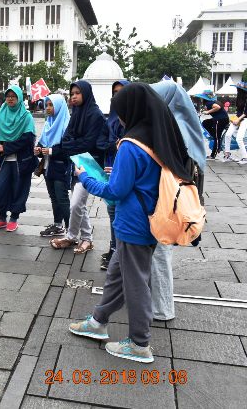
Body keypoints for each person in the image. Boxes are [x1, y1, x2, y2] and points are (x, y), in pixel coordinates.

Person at [69, 82, 195, 363]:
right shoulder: (157, 136)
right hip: (149, 221)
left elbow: (115, 191)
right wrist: (119, 172)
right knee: (116, 274)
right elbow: (143, 178)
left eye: (120, 110)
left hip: (133, 224)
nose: (119, 117)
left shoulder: (130, 144)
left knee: (136, 283)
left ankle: (139, 343)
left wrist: (85, 178)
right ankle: (99, 321)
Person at [149, 80, 207, 321]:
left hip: (169, 201)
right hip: (174, 199)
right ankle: (156, 302)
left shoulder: (175, 129)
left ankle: (162, 308)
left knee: (160, 253)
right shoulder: (184, 124)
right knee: (160, 253)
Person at [49, 80, 106, 254]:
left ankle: (72, 236)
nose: (73, 97)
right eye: (72, 93)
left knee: (75, 204)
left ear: (86, 94)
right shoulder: (76, 113)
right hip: (77, 161)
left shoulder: (95, 114)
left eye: (77, 93)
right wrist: (75, 145)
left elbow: (89, 143)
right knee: (79, 204)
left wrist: (73, 144)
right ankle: (86, 238)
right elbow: (66, 140)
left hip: (90, 163)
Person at [0, 85, 36, 232]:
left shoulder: (26, 116)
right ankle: (1, 218)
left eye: (13, 96)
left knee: (19, 189)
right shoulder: (0, 115)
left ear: (19, 98)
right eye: (8, 96)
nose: (10, 99)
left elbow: (27, 139)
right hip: (4, 161)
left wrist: (7, 147)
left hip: (21, 161)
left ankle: (14, 218)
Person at [96, 79, 130, 269]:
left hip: (125, 170)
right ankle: (113, 247)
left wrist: (119, 143)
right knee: (111, 210)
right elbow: (101, 142)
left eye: (122, 91)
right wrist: (114, 143)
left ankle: (120, 251)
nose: (118, 95)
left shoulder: (134, 118)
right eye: (115, 92)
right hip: (110, 168)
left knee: (121, 211)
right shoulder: (111, 119)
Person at [37, 94, 71, 237]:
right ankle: (58, 225)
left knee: (62, 198)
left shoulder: (67, 124)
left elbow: (68, 148)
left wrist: (50, 150)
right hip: (47, 167)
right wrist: (38, 149)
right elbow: (42, 142)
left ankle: (71, 229)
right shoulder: (48, 123)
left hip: (60, 167)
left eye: (51, 105)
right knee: (54, 197)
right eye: (47, 105)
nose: (48, 108)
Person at [198, 89, 229, 160]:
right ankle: (214, 135)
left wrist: (208, 111)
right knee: (205, 123)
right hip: (221, 119)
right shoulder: (211, 102)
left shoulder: (209, 103)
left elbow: (218, 107)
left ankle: (213, 154)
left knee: (217, 137)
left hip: (220, 120)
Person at [221, 81, 247, 164]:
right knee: (228, 135)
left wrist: (238, 119)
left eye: (238, 88)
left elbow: (246, 112)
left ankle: (245, 157)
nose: (237, 89)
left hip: (245, 119)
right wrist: (234, 119)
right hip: (237, 118)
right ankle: (227, 154)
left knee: (239, 138)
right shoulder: (239, 97)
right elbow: (238, 111)